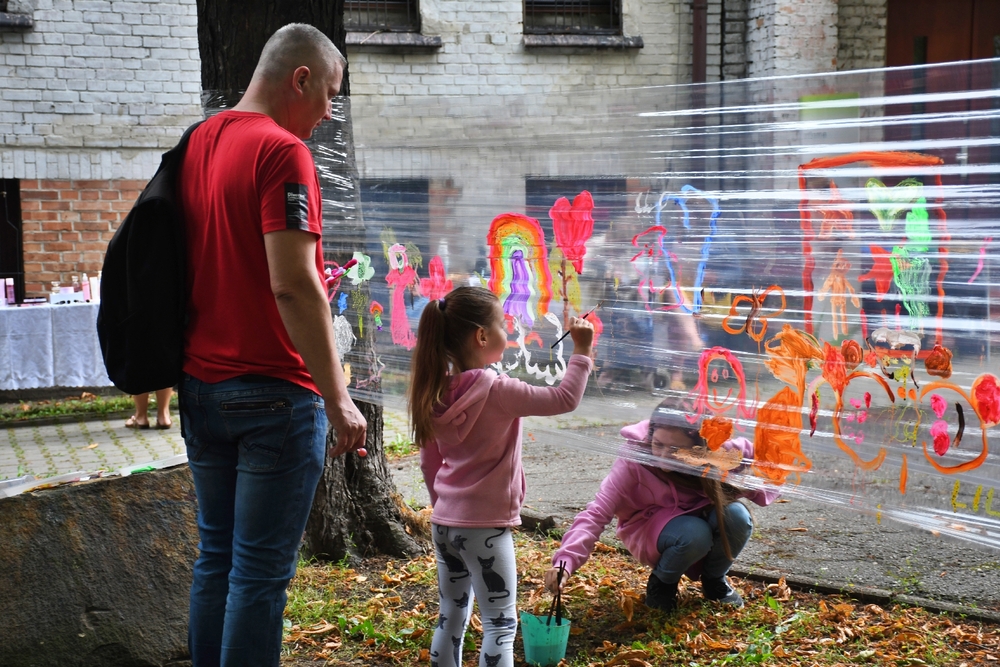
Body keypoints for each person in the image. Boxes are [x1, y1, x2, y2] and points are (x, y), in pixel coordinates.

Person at [176, 24, 366, 666]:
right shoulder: (282, 152)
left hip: (202, 387)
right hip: (274, 400)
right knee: (257, 577)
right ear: (301, 79)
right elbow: (294, 284)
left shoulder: (201, 140)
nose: (330, 112)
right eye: (330, 95)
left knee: (218, 561)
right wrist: (338, 399)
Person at [408, 285, 594, 667]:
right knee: (500, 625)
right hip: (486, 530)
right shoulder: (501, 391)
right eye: (503, 327)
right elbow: (564, 399)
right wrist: (582, 351)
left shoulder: (434, 393)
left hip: (444, 525)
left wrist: (444, 506)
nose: (508, 336)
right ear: (481, 336)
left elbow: (429, 465)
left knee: (451, 614)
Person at [544, 398, 779, 613]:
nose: (663, 456)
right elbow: (596, 513)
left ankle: (714, 580)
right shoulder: (634, 461)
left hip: (700, 516)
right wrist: (564, 563)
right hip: (651, 529)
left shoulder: (719, 453)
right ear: (650, 435)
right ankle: (662, 584)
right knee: (694, 534)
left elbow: (762, 460)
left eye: (675, 450)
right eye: (658, 445)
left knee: (737, 517)